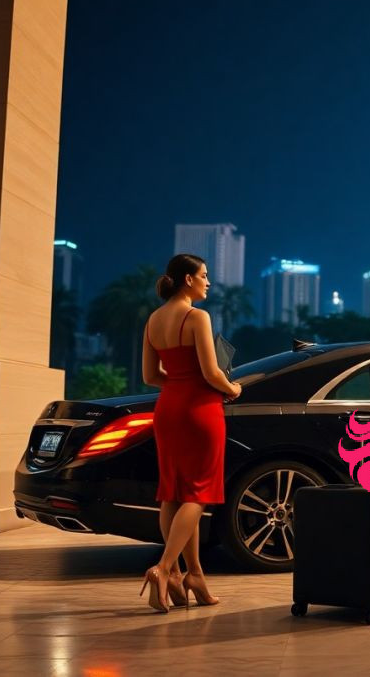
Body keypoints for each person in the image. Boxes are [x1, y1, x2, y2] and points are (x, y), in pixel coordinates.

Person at [138, 254, 242, 612]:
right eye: (204, 275)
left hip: (167, 408)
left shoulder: (153, 320)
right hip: (200, 410)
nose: (208, 282)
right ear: (187, 280)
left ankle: (193, 575)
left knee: (173, 493)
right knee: (199, 492)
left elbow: (150, 377)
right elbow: (212, 372)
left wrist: (180, 381)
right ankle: (164, 569)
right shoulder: (197, 317)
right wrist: (232, 388)